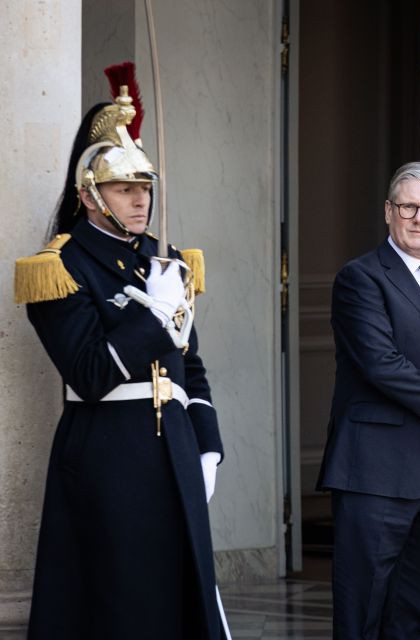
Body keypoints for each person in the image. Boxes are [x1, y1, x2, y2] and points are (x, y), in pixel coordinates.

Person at [15, 69, 228, 638]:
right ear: (89, 195)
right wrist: (151, 316)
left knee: (183, 606)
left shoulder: (167, 258)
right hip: (109, 457)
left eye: (146, 187)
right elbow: (87, 373)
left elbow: (193, 367)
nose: (142, 200)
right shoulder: (59, 267)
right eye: (126, 189)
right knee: (122, 607)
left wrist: (207, 446)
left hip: (176, 452)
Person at [316, 161, 420, 639]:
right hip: (373, 471)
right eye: (409, 206)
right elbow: (381, 364)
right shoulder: (361, 278)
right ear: (388, 212)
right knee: (362, 613)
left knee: (413, 612)